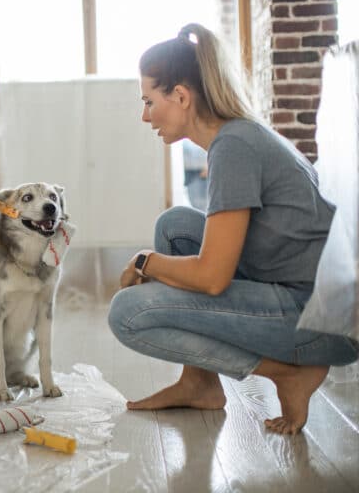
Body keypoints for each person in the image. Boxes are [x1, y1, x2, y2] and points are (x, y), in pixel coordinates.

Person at [107, 23, 359, 435]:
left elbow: (211, 277)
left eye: (149, 101)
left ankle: (289, 373)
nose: (144, 114)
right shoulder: (236, 137)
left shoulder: (234, 148)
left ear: (182, 96)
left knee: (127, 313)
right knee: (175, 226)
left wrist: (144, 262)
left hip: (319, 324)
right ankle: (199, 384)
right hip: (301, 298)